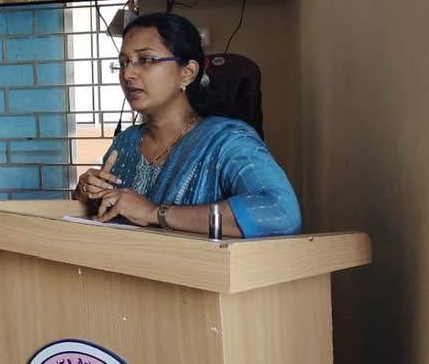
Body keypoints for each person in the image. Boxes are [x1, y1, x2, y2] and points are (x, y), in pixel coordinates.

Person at [74, 12, 301, 238]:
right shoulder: (126, 143)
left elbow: (281, 213)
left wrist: (155, 213)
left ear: (187, 73)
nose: (128, 73)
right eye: (123, 62)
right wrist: (86, 194)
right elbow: (108, 216)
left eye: (146, 60)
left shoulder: (228, 142)